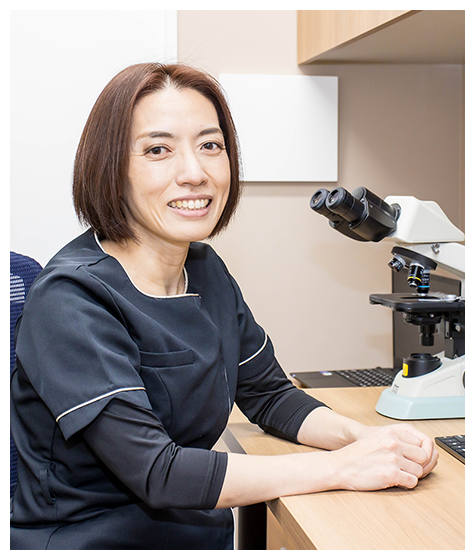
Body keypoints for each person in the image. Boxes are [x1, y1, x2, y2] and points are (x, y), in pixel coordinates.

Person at [10, 63, 438, 550]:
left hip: (195, 535)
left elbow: (270, 396)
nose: (195, 173)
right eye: (158, 150)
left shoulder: (205, 269)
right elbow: (158, 473)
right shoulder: (70, 298)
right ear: (110, 168)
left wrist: (364, 440)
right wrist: (342, 467)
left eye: (211, 146)